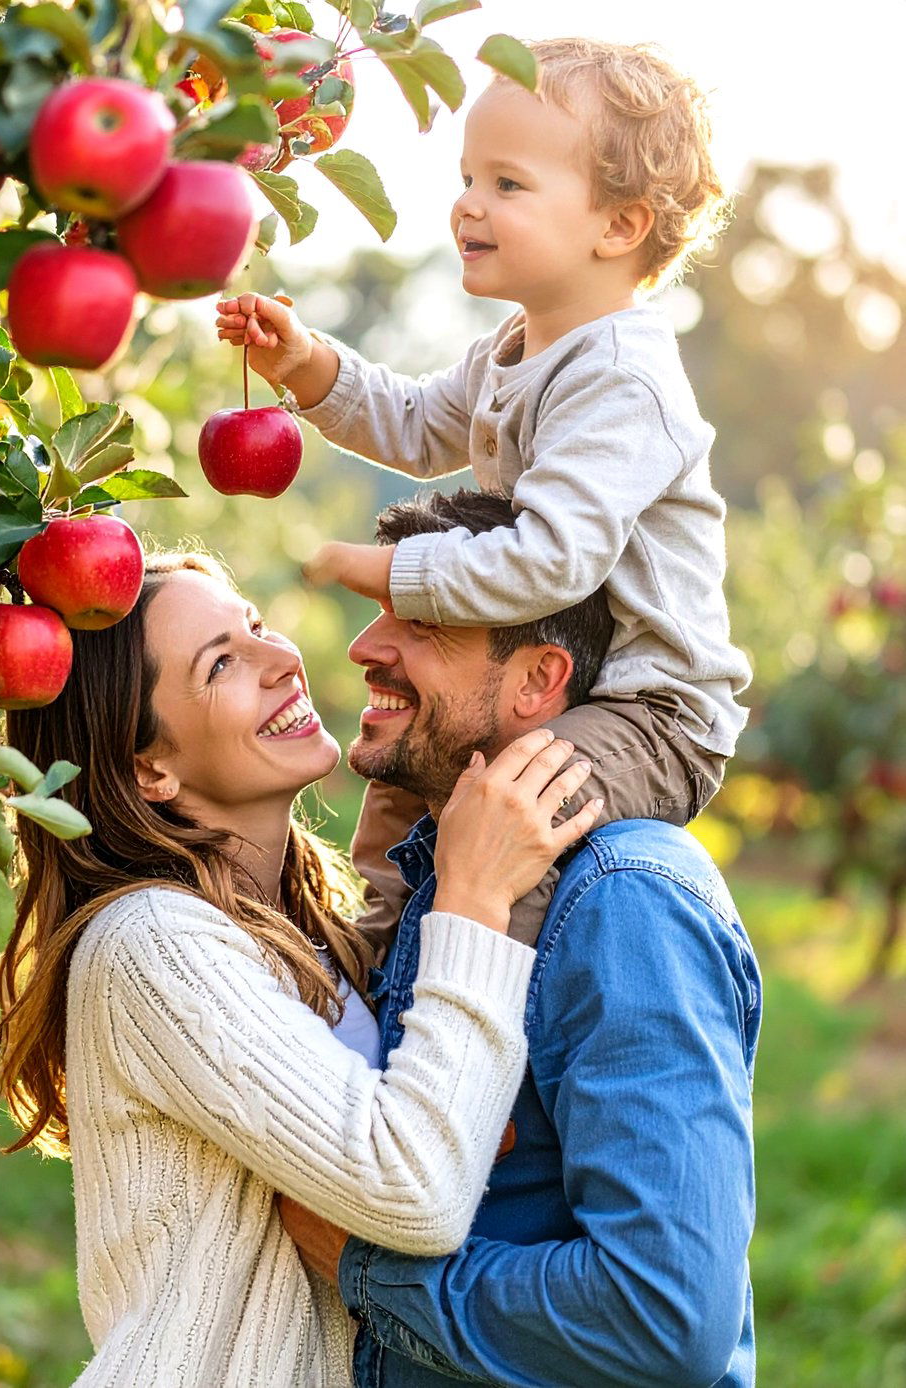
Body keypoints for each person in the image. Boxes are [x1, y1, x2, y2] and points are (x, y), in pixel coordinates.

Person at [0, 549, 603, 1387]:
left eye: (257, 627)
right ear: (148, 767)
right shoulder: (151, 946)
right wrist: (475, 899)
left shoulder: (299, 933)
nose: (282, 660)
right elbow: (415, 1187)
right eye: (222, 663)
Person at [215, 35, 752, 939]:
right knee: (401, 793)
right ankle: (368, 986)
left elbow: (549, 561)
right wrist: (306, 368)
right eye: (468, 178)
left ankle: (488, 1019)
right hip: (549, 683)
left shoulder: (624, 379)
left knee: (508, 824)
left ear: (618, 226)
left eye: (507, 184)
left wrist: (391, 572)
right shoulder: (516, 345)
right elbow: (422, 425)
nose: (468, 204)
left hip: (649, 709)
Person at [278, 488, 762, 1387]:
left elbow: (666, 1319)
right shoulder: (439, 876)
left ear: (540, 681)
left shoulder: (622, 902)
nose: (362, 648)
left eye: (424, 624)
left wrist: (368, 1270)